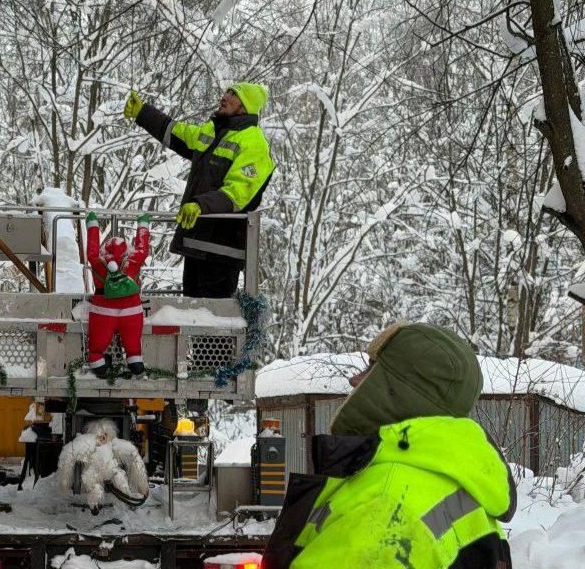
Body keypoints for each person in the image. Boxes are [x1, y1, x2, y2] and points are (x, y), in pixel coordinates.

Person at [264, 322, 516, 569]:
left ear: (399, 391)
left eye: (372, 370)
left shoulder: (384, 506)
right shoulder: (455, 488)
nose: (354, 380)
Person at [124, 82, 274, 298]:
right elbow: (178, 133)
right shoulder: (212, 132)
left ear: (245, 107)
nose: (225, 96)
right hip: (196, 242)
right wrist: (143, 113)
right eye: (226, 91)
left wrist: (200, 205)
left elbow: (239, 191)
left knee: (210, 324)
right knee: (192, 319)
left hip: (221, 251)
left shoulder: (254, 143)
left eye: (234, 94)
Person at [85, 211, 150, 378]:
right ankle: (135, 361)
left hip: (103, 312)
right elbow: (143, 248)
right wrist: (143, 225)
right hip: (131, 312)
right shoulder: (134, 260)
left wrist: (92, 225)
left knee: (97, 347)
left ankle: (98, 363)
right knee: (133, 344)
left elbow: (91, 250)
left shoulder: (97, 261)